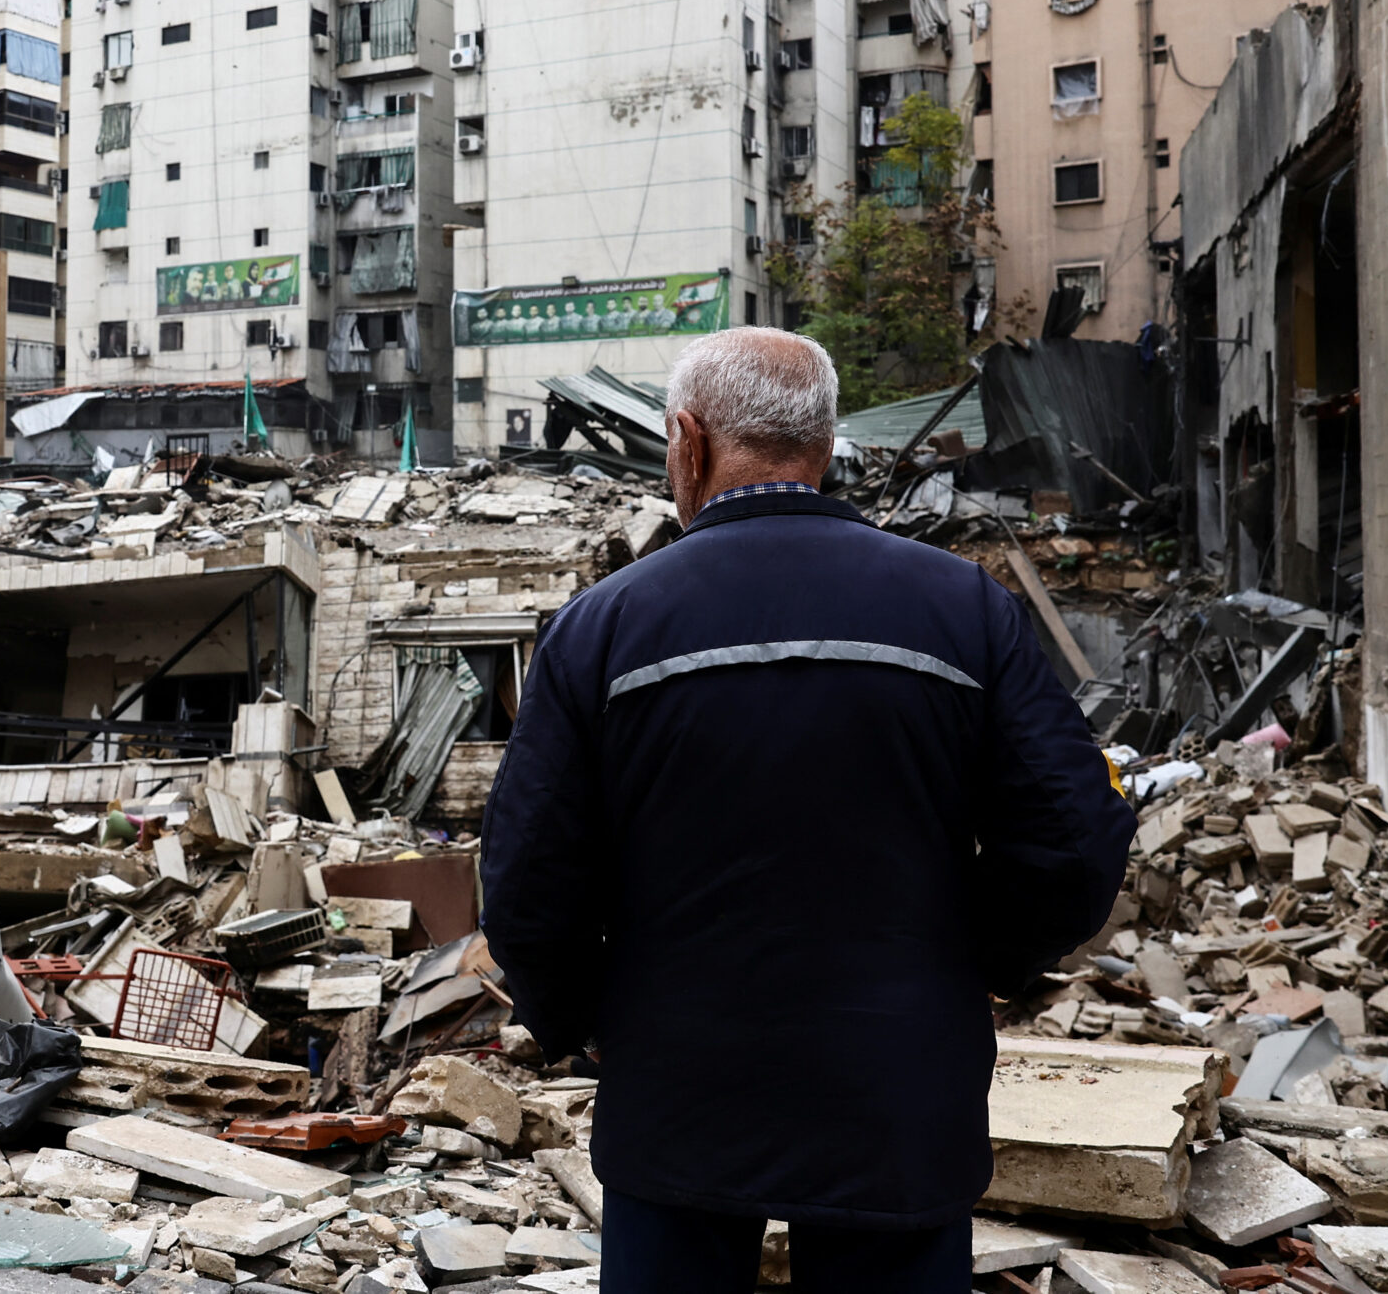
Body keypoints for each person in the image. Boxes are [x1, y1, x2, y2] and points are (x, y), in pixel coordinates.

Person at [480, 328, 1133, 1294]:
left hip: (678, 1096)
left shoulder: (603, 627)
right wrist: (972, 966)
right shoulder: (963, 608)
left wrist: (590, 1019)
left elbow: (528, 882)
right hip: (898, 1094)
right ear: (824, 447)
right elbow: (1077, 839)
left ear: (688, 443)